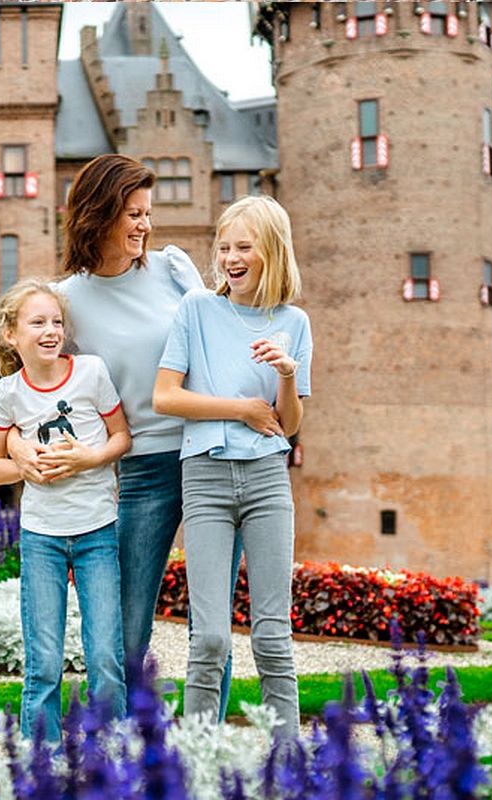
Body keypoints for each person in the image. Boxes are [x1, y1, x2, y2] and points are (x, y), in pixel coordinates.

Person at [8, 154, 260, 717]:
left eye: (148, 212)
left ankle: (201, 748)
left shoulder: (173, 268)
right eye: (132, 213)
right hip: (141, 468)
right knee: (124, 634)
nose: (144, 225)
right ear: (97, 216)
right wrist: (20, 447)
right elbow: (30, 385)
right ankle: (116, 754)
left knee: (210, 626)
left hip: (210, 458)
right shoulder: (64, 299)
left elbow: (220, 344)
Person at [152, 194, 311, 739]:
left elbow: (287, 425)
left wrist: (287, 375)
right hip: (205, 478)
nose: (230, 257)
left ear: (271, 251)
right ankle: (197, 760)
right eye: (223, 247)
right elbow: (166, 397)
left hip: (268, 480)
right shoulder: (196, 309)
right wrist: (239, 409)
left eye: (243, 246)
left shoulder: (294, 322)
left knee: (272, 636)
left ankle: (287, 762)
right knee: (211, 637)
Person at [0, 278, 133, 742]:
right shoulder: (8, 394)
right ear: (12, 334)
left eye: (56, 322)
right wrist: (23, 464)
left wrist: (88, 458)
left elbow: (122, 438)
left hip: (96, 532)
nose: (50, 331)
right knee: (44, 660)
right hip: (42, 536)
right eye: (37, 322)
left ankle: (112, 755)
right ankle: (40, 762)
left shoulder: (91, 372)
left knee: (105, 655)